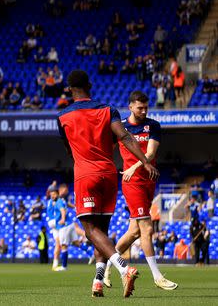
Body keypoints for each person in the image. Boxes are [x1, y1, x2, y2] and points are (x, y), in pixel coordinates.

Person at [57, 70, 158, 298]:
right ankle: (98, 282)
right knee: (102, 231)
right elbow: (124, 137)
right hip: (110, 174)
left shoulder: (63, 116)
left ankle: (124, 268)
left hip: (86, 174)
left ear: (70, 89)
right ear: (90, 85)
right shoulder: (108, 110)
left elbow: (68, 149)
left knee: (91, 231)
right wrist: (145, 162)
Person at [103, 91, 177, 290]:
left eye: (146, 108)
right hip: (132, 183)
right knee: (147, 228)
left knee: (134, 231)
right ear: (130, 107)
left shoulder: (153, 125)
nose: (143, 111)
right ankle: (157, 276)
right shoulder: (120, 128)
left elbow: (151, 153)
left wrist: (135, 166)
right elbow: (104, 148)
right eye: (139, 108)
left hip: (148, 181)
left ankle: (107, 264)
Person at [46, 185, 74, 271]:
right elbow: (62, 209)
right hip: (55, 222)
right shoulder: (56, 200)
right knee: (60, 243)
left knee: (59, 243)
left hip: (54, 223)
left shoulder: (55, 200)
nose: (52, 196)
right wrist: (63, 218)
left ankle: (56, 264)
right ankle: (58, 264)